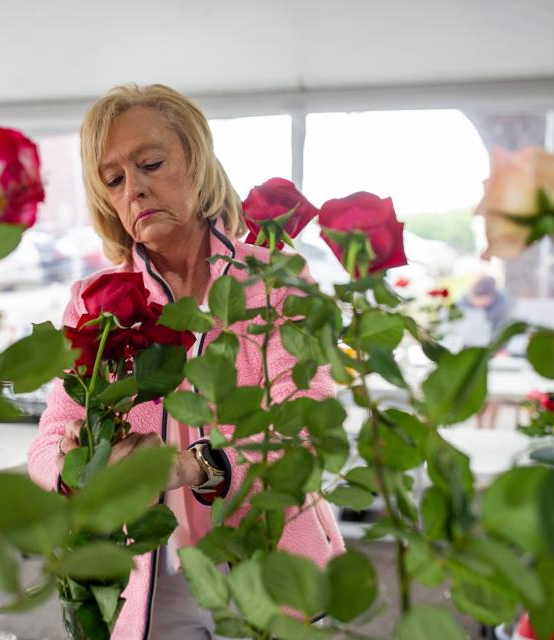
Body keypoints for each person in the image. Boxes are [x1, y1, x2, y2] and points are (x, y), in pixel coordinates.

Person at [26, 84, 344, 640]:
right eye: (115, 179)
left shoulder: (278, 281)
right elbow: (46, 442)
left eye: (151, 163)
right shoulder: (95, 300)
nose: (136, 189)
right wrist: (77, 462)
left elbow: (309, 426)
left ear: (197, 163)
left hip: (269, 555)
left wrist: (198, 467)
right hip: (148, 580)